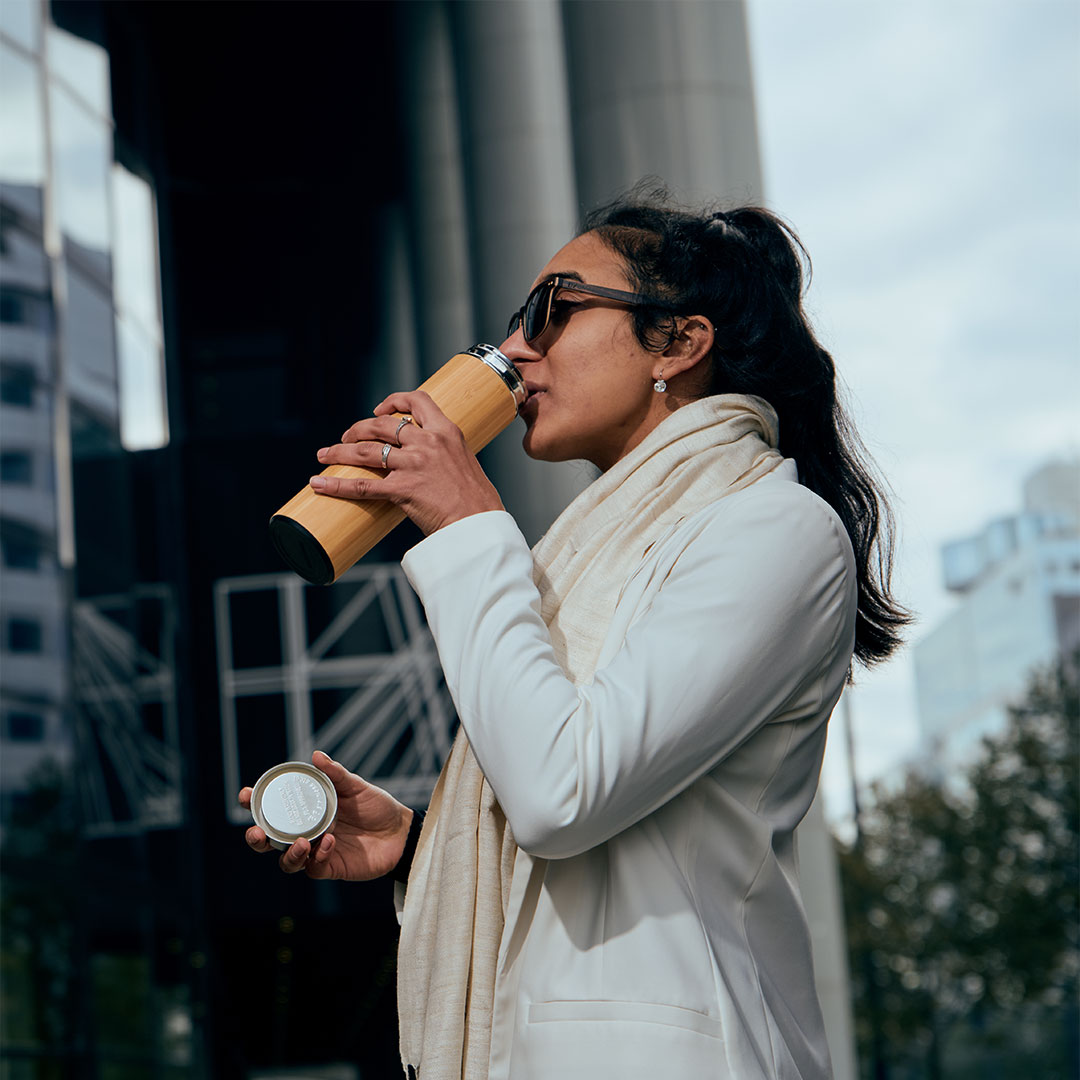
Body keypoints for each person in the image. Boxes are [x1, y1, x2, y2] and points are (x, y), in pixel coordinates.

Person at [241, 189, 908, 1080]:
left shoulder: (775, 528)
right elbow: (586, 793)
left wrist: (468, 523)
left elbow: (563, 791)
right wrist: (424, 843)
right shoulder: (593, 545)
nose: (516, 349)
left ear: (679, 342)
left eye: (552, 310)